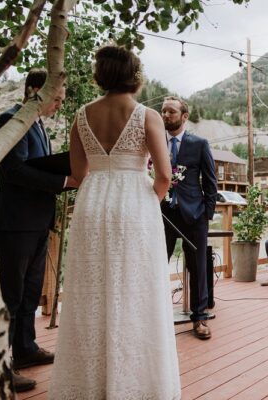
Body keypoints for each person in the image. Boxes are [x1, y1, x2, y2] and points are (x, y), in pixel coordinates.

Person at [49, 46, 180, 398]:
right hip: (134, 204)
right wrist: (147, 201)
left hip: (93, 201)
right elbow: (164, 175)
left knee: (92, 290)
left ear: (101, 75)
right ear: (134, 75)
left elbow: (78, 172)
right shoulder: (146, 114)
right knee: (136, 290)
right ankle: (135, 384)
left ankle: (91, 382)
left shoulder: (80, 115)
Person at [0, 69, 78, 392]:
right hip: (15, 222)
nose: (59, 104)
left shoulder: (38, 124)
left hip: (38, 220)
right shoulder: (11, 119)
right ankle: (5, 364)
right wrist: (62, 180)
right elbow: (13, 169)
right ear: (34, 91)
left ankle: (26, 348)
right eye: (55, 98)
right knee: (13, 295)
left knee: (31, 292)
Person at [160, 95, 217, 340]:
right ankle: (156, 316)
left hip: (194, 215)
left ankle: (200, 317)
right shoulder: (154, 142)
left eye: (171, 112)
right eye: (163, 111)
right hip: (162, 215)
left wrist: (207, 214)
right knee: (156, 265)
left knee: (198, 268)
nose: (165, 115)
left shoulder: (199, 143)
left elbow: (211, 182)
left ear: (184, 116)